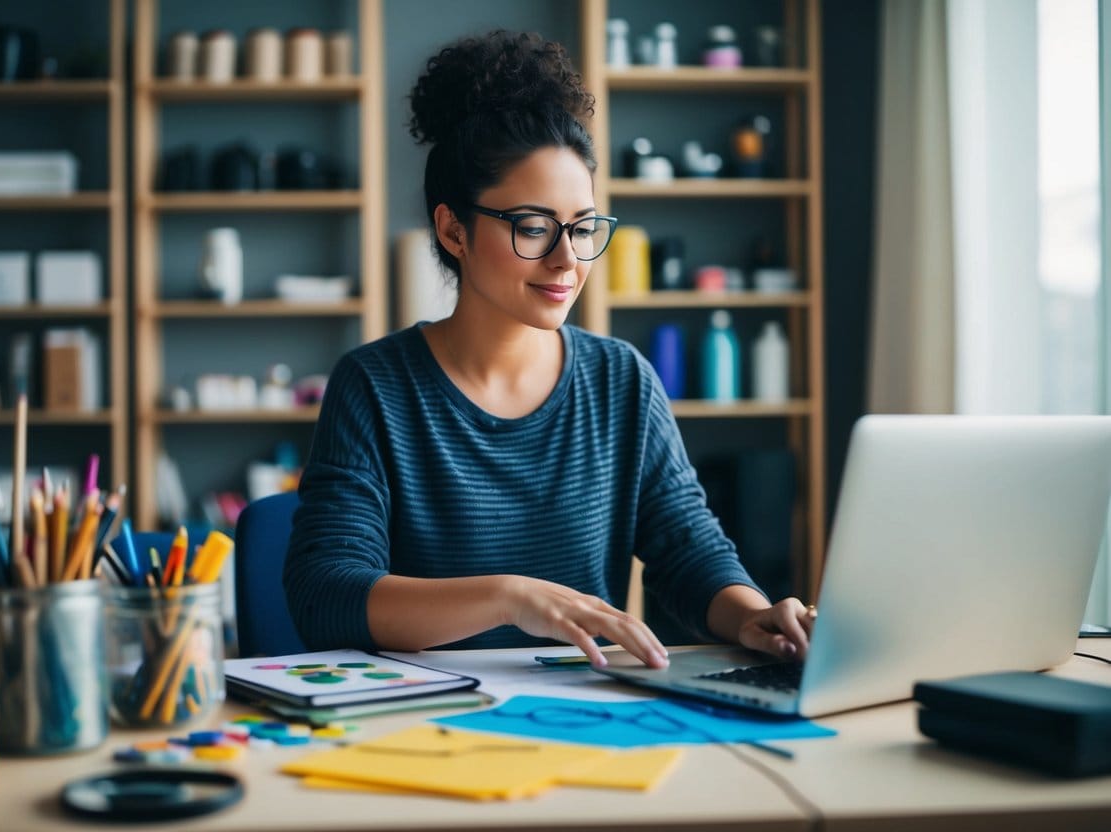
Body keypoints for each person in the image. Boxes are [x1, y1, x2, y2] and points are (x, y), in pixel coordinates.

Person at [283, 30, 814, 669]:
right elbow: (326, 596)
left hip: (584, 726)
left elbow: (689, 553)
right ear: (453, 229)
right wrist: (509, 599)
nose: (568, 259)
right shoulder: (374, 386)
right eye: (534, 228)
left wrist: (755, 615)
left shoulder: (622, 380)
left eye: (585, 228)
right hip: (423, 731)